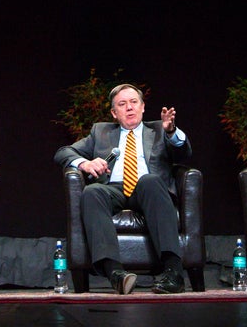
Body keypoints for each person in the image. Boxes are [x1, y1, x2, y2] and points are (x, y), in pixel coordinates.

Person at [53, 84, 190, 295]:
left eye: (134, 102)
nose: (129, 108)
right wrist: (85, 164)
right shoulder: (101, 131)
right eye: (122, 104)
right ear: (114, 113)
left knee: (151, 181)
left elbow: (183, 156)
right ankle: (116, 274)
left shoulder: (160, 129)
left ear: (143, 107)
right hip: (113, 189)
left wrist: (171, 131)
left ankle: (173, 272)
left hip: (148, 189)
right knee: (92, 191)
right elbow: (63, 152)